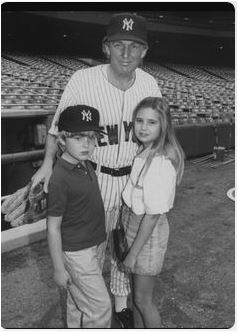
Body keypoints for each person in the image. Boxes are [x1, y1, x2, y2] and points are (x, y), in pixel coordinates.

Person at [32, 12, 162, 327]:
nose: (127, 54)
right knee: (89, 251)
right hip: (95, 177)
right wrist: (49, 163)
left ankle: (120, 306)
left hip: (133, 179)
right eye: (119, 45)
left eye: (135, 46)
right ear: (106, 47)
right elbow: (56, 128)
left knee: (125, 247)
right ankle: (83, 311)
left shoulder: (150, 83)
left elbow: (160, 132)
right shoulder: (82, 80)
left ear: (144, 51)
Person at [121, 97, 184, 328]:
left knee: (142, 300)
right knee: (136, 297)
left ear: (163, 126)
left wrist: (133, 254)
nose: (143, 127)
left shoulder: (159, 162)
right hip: (136, 226)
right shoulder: (144, 150)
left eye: (151, 122)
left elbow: (153, 215)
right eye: (139, 120)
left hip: (147, 234)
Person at [47, 105, 111, 328]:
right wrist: (58, 268)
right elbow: (53, 227)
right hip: (77, 252)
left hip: (95, 244)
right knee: (100, 308)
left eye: (92, 137)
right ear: (63, 140)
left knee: (78, 303)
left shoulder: (84, 163)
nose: (87, 144)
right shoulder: (59, 178)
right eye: (79, 137)